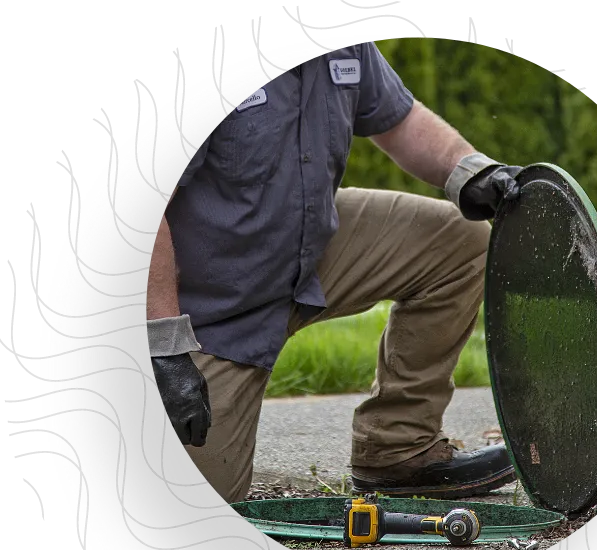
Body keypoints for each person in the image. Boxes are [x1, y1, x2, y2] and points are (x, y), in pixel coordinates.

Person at [146, 41, 523, 505]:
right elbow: (137, 209)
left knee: (461, 243)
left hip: (309, 247)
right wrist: (164, 346)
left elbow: (400, 119)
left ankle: (397, 450)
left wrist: (471, 173)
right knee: (193, 508)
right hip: (208, 310)